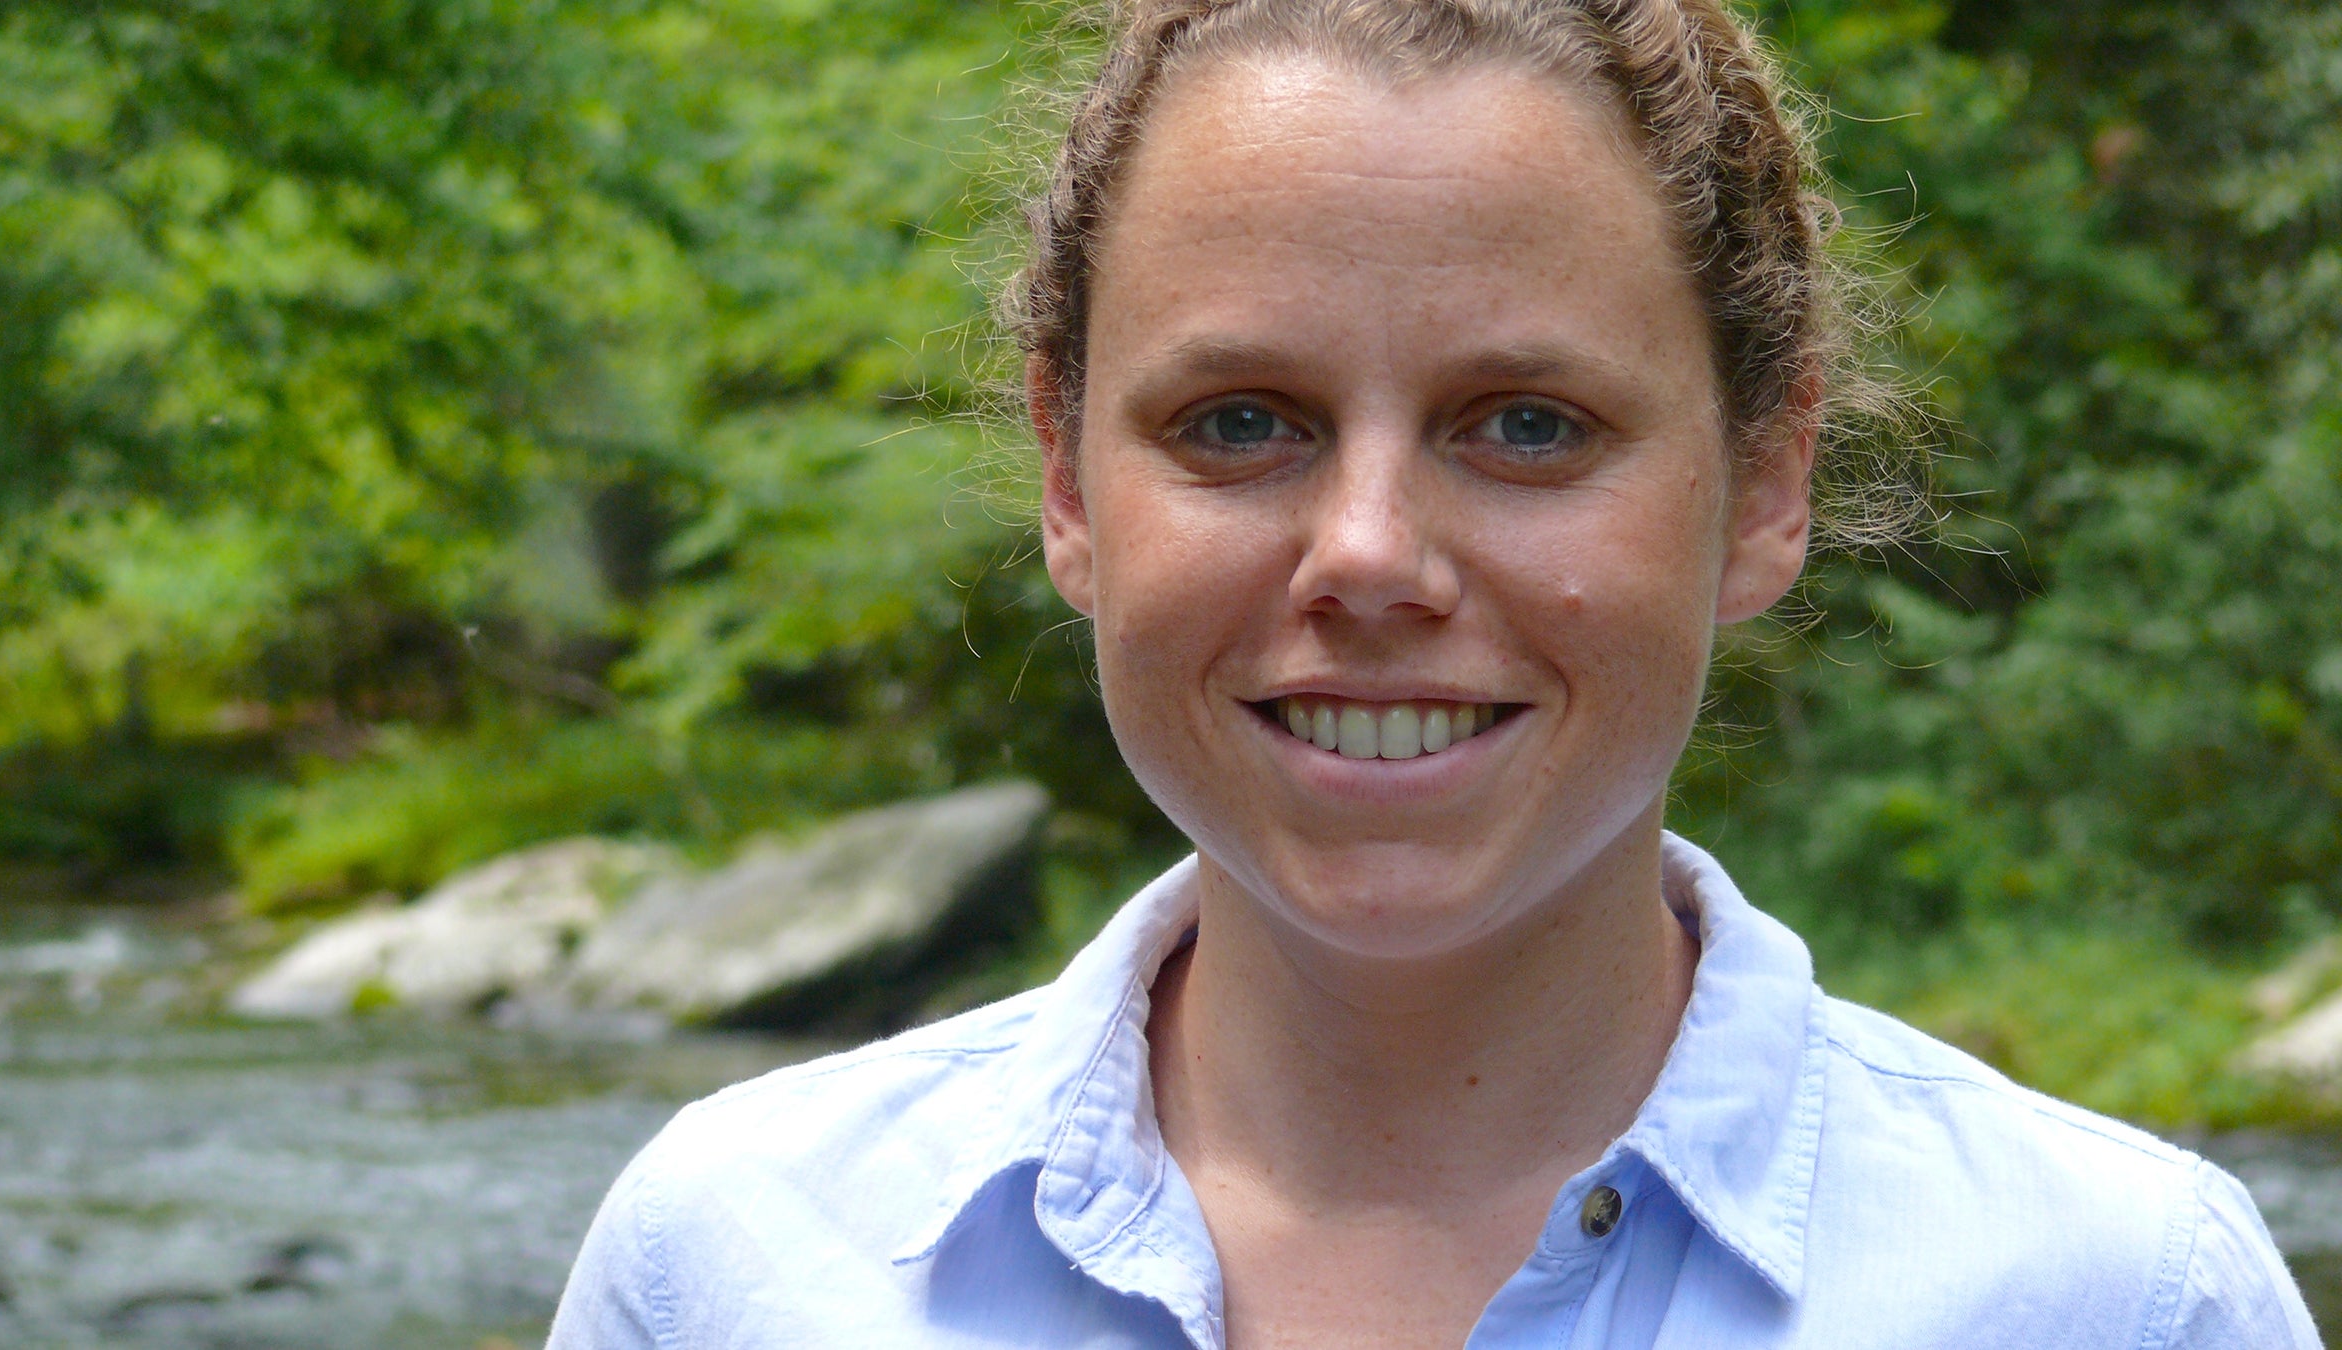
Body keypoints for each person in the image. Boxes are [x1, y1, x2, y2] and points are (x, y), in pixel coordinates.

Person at [545, 0, 2319, 1345]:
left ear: (1765, 484)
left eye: (1527, 425)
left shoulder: (2120, 1297)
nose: (1371, 554)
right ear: (1071, 480)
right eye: (1241, 423)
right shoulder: (730, 1264)